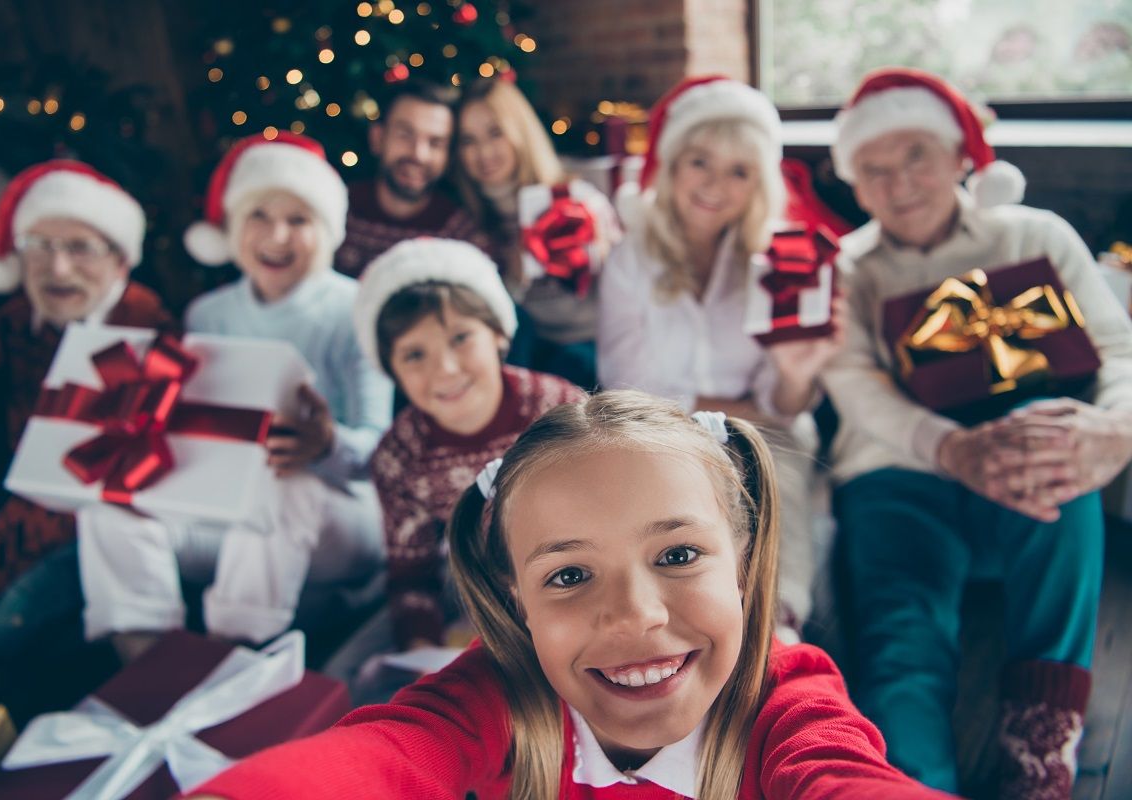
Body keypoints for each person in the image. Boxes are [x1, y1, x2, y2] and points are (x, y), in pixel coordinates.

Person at [187, 391, 954, 799]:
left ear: (746, 568)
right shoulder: (499, 693)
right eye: (568, 575)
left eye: (679, 554)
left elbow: (843, 778)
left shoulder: (790, 698)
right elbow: (390, 754)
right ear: (517, 600)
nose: (635, 615)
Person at [823, 67, 1132, 799]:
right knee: (902, 633)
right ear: (855, 186)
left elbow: (1119, 349)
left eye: (916, 157)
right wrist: (949, 447)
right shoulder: (850, 269)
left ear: (962, 154)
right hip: (899, 472)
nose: (898, 184)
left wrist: (1115, 430)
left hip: (1029, 445)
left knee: (1065, 485)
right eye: (874, 169)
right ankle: (916, 782)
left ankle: (1042, 747)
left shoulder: (1034, 233)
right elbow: (854, 383)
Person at [78, 132, 392, 655]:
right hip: (230, 511)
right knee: (108, 503)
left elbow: (382, 456)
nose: (277, 236)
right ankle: (148, 662)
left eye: (298, 219)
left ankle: (234, 655)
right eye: (259, 216)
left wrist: (327, 446)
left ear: (328, 231)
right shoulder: (208, 314)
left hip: (339, 514)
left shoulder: (357, 310)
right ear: (231, 229)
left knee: (285, 485)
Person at [598, 76, 843, 643]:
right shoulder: (632, 260)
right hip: (649, 432)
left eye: (739, 171)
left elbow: (783, 405)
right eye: (700, 162)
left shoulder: (776, 264)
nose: (715, 185)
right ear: (673, 165)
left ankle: (781, 626)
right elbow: (626, 384)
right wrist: (739, 408)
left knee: (784, 453)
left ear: (759, 182)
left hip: (759, 433)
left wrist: (795, 372)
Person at [0, 160, 174, 694]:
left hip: (91, 518)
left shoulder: (139, 331)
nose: (56, 268)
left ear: (119, 261)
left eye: (80, 248)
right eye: (38, 246)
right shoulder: (19, 320)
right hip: (9, 503)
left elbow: (67, 484)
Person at [323, 237, 584, 701]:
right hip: (469, 575)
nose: (444, 369)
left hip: (575, 570)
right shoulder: (399, 456)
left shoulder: (558, 410)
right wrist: (420, 646)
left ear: (499, 335)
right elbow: (411, 574)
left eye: (461, 338)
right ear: (392, 371)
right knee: (347, 677)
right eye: (414, 355)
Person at [453, 77, 621, 389]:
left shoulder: (575, 201)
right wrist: (514, 279)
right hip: (524, 346)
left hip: (587, 342)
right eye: (468, 140)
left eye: (495, 133)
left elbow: (624, 286)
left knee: (570, 364)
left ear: (520, 134)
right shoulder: (467, 220)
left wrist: (598, 248)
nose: (483, 152)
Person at [333, 79, 490, 279]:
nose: (418, 155)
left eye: (435, 143)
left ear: (448, 156)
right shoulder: (337, 208)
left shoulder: (462, 235)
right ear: (378, 138)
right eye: (405, 134)